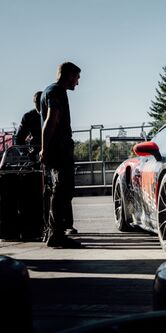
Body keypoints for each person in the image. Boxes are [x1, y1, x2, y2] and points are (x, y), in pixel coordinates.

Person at [40, 62, 81, 248]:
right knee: (62, 190)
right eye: (77, 77)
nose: (78, 82)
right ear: (68, 75)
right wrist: (45, 149)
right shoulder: (56, 91)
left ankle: (53, 232)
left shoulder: (52, 91)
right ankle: (56, 234)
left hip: (58, 148)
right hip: (59, 149)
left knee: (60, 190)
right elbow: (51, 120)